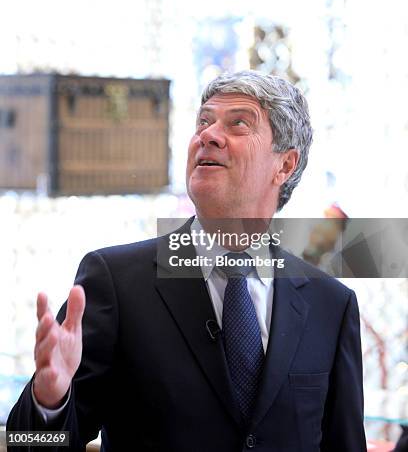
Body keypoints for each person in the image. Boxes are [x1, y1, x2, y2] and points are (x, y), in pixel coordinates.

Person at [7, 70, 367, 451]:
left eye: (238, 124)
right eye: (204, 122)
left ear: (285, 165)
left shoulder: (331, 304)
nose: (208, 136)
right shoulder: (116, 282)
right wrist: (48, 401)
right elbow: (25, 444)